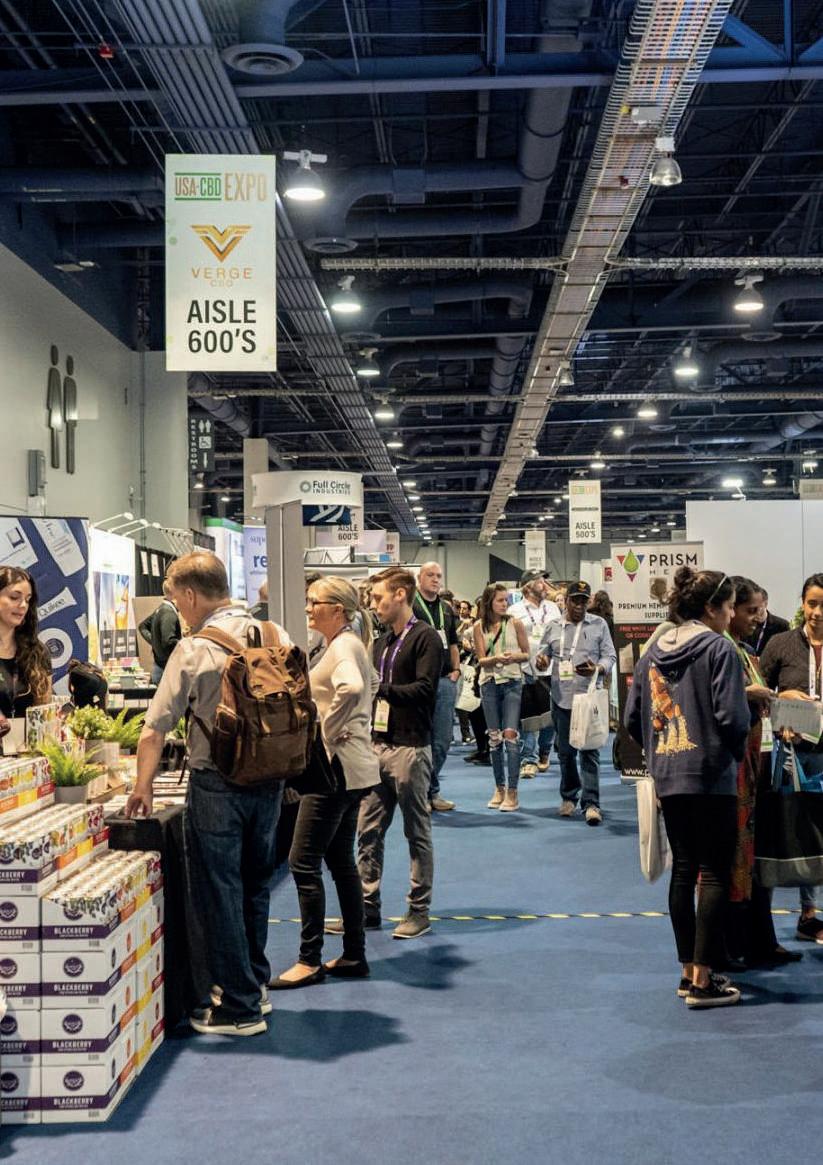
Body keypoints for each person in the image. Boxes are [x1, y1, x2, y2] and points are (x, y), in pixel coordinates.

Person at [125, 552, 289, 1037]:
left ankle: (238, 1008)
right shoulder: (274, 633)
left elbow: (155, 728)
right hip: (271, 777)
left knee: (220, 890)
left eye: (177, 599)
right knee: (255, 884)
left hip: (217, 781)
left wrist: (142, 786)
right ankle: (255, 984)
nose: (178, 608)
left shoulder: (194, 648)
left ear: (191, 595)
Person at [625, 568, 750, 1008]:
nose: (731, 615)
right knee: (714, 872)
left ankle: (686, 971)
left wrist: (661, 754)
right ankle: (703, 978)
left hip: (669, 774)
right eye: (729, 607)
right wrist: (733, 753)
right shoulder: (720, 648)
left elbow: (633, 718)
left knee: (683, 870)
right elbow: (732, 717)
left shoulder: (652, 651)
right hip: (711, 774)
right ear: (712, 609)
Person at [273, 578, 380, 987]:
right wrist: (352, 724)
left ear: (337, 609)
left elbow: (353, 687)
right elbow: (370, 685)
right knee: (339, 862)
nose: (308, 608)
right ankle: (354, 953)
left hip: (334, 770)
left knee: (303, 862)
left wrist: (328, 730)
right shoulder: (347, 644)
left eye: (314, 602)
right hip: (351, 770)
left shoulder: (343, 647)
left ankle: (310, 960)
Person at [357, 567, 442, 939]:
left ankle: (418, 911)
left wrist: (382, 689)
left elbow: (425, 689)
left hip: (411, 748)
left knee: (416, 833)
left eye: (379, 598)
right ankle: (366, 908)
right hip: (377, 745)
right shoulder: (381, 643)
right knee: (367, 831)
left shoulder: (425, 638)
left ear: (401, 595)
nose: (374, 605)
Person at [724, 578, 799, 967]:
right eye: (749, 611)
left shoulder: (746, 650)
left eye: (760, 610)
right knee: (733, 861)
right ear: (728, 610)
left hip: (758, 765)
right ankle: (732, 947)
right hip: (732, 770)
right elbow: (709, 705)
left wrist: (776, 699)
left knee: (755, 858)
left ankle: (758, 941)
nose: (758, 618)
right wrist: (745, 693)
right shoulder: (720, 650)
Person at [759, 573, 823, 946]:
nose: (818, 612)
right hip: (794, 755)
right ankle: (808, 914)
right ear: (802, 604)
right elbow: (758, 690)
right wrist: (782, 702)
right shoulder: (781, 644)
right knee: (800, 832)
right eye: (812, 603)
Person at [535, 581, 616, 825]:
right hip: (561, 698)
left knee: (589, 751)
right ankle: (569, 796)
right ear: (567, 601)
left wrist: (598, 668)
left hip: (588, 697)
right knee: (566, 753)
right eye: (575, 600)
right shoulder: (553, 626)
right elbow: (543, 654)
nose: (580, 605)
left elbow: (610, 655)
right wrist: (541, 660)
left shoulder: (599, 624)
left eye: (584, 601)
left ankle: (591, 804)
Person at [474, 583, 530, 810]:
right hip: (489, 684)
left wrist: (513, 657)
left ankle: (513, 792)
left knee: (510, 736)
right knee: (495, 738)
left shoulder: (515, 623)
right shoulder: (478, 626)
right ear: (489, 602)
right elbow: (480, 659)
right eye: (500, 600)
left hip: (512, 683)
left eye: (506, 600)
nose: (504, 604)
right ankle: (499, 788)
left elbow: (526, 654)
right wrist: (495, 659)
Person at [412, 561, 461, 812]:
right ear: (419, 578)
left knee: (442, 741)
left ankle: (430, 789)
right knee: (421, 741)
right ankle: (426, 792)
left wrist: (456, 670)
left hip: (444, 680)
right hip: (419, 682)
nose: (435, 579)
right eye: (430, 575)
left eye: (438, 575)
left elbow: (452, 642)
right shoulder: (410, 606)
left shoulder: (446, 609)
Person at [508, 570, 560, 779]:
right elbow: (510, 639)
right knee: (528, 715)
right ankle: (528, 759)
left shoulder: (553, 608)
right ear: (527, 586)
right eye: (540, 581)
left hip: (552, 667)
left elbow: (560, 635)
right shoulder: (515, 610)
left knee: (551, 715)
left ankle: (544, 751)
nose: (545, 584)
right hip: (526, 669)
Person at [0, 567, 52, 739]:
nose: (23, 605)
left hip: (26, 751)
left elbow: (44, 713)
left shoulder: (37, 652)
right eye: (14, 597)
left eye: (28, 600)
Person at [137, 581, 181, 684]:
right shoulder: (168, 612)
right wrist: (187, 644)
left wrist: (155, 642)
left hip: (159, 666)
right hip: (165, 669)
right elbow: (168, 641)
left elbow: (143, 626)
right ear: (175, 593)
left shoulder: (161, 609)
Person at [746, 586, 790, 656]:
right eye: (752, 608)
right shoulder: (746, 623)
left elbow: (785, 653)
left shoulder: (782, 626)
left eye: (758, 607)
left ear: (766, 604)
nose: (755, 611)